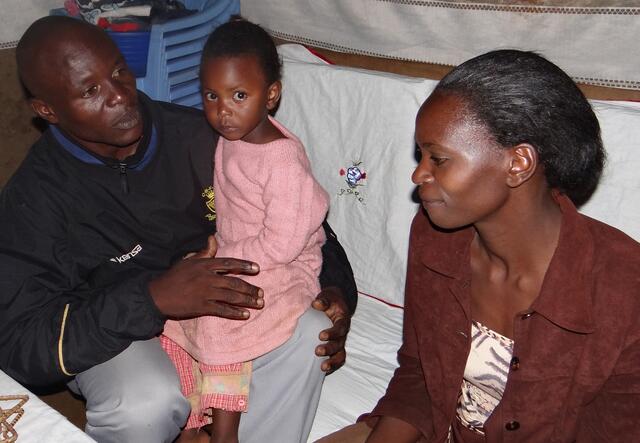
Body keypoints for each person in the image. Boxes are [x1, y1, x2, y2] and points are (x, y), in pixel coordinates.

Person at [0, 15, 357, 443]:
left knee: (307, 336)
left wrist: (336, 291)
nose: (120, 96)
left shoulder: (202, 135)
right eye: (91, 91)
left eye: (119, 72)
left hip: (218, 312)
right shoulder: (34, 199)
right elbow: (20, 343)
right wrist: (151, 298)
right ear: (47, 111)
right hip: (118, 331)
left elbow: (299, 214)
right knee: (145, 399)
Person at [319, 50, 640, 443]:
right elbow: (420, 375)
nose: (419, 174)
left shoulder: (624, 289)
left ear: (518, 162)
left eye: (438, 158)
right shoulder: (436, 236)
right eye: (421, 155)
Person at [161, 20, 331, 443]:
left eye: (240, 95)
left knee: (221, 320)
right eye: (211, 96)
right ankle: (195, 413)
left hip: (285, 263)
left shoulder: (282, 161)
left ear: (271, 95)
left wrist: (226, 261)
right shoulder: (231, 137)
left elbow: (284, 242)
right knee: (174, 316)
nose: (223, 110)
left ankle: (225, 431)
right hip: (243, 252)